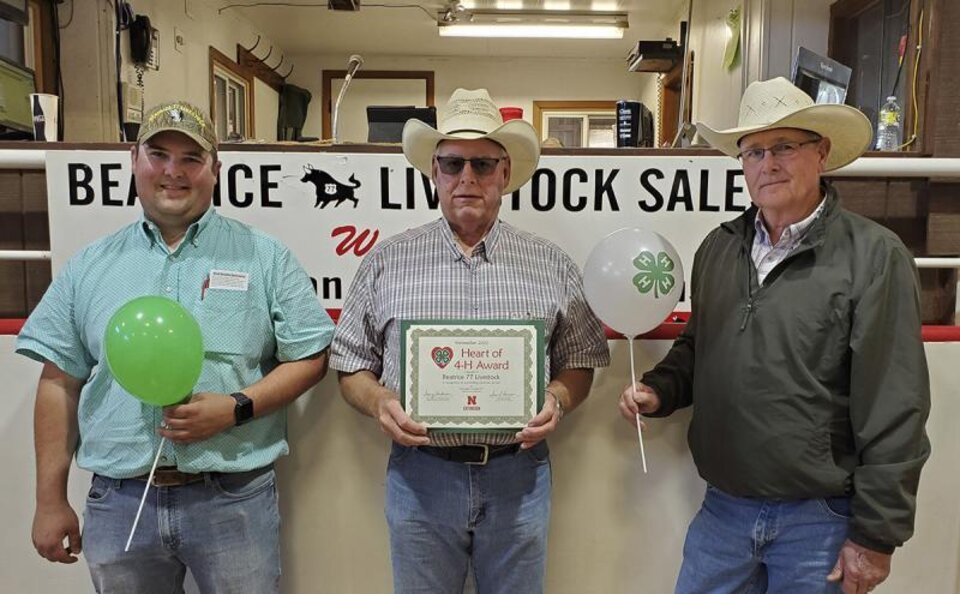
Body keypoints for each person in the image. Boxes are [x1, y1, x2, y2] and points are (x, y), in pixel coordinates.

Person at [619, 77, 930, 594]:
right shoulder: (718, 251)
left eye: (785, 147)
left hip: (821, 521)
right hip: (724, 510)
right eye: (754, 152)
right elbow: (700, 346)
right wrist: (660, 389)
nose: (768, 164)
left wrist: (877, 534)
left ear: (822, 153)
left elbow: (895, 404)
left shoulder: (875, 256)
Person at [17, 101, 334, 593]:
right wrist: (49, 501)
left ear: (215, 170)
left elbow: (311, 356)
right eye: (159, 154)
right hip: (120, 503)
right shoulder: (89, 267)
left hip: (234, 500)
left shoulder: (265, 257)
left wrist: (237, 408)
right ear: (134, 160)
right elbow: (59, 382)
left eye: (191, 158)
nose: (173, 171)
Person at [331, 88, 610, 594]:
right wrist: (378, 401)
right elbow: (350, 364)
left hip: (518, 479)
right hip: (420, 478)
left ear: (504, 173)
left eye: (482, 164)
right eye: (452, 163)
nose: (467, 179)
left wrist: (559, 398)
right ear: (433, 171)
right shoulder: (386, 262)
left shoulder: (551, 264)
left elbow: (580, 360)